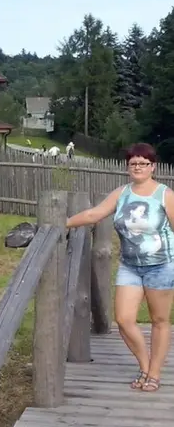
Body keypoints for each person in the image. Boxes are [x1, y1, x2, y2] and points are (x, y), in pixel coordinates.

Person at [66, 143, 174, 392]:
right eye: (133, 163)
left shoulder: (165, 195)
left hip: (161, 266)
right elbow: (94, 215)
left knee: (159, 320)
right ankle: (145, 365)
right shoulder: (122, 193)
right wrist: (63, 223)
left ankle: (154, 373)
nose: (138, 167)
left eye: (143, 163)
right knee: (124, 319)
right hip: (130, 267)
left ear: (153, 167)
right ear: (127, 167)